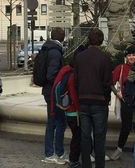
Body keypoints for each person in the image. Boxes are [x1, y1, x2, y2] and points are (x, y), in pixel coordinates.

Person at [74, 29, 112, 168]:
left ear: (89, 40)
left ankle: (86, 165)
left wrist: (80, 95)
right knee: (99, 138)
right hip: (99, 102)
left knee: (85, 137)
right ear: (101, 41)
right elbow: (107, 82)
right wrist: (106, 99)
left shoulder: (79, 57)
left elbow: (76, 80)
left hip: (83, 101)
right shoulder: (105, 58)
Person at [51, 45, 86, 168]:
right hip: (74, 112)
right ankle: (74, 161)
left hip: (69, 111)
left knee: (77, 136)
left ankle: (76, 159)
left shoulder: (66, 69)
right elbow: (73, 93)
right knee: (77, 137)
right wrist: (79, 109)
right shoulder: (73, 74)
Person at [108, 45, 135, 161]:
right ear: (126, 57)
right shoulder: (121, 68)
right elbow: (110, 82)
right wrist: (117, 93)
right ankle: (119, 149)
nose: (132, 57)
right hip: (126, 102)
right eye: (129, 55)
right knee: (126, 127)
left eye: (134, 55)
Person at [41, 27, 67, 164]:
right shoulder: (56, 52)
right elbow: (52, 74)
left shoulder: (47, 48)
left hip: (48, 90)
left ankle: (53, 152)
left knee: (54, 122)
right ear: (62, 37)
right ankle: (54, 153)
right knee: (57, 122)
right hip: (53, 92)